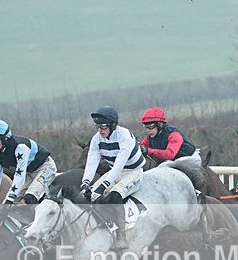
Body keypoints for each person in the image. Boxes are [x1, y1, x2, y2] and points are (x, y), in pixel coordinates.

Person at [80, 106, 145, 250]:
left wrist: (104, 185)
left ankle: (121, 236)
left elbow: (119, 165)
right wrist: (85, 183)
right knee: (88, 195)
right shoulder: (96, 139)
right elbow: (91, 162)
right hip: (115, 172)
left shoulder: (124, 136)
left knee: (115, 195)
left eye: (103, 126)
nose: (99, 130)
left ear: (112, 125)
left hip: (133, 171)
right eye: (97, 126)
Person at [0, 119, 57, 218]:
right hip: (28, 172)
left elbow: (19, 175)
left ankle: (39, 226)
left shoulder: (21, 147)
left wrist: (9, 201)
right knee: (3, 209)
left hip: (45, 168)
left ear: (5, 138)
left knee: (30, 197)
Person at [138, 107, 201, 172]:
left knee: (162, 167)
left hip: (189, 159)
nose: (148, 130)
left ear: (160, 124)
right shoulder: (151, 137)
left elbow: (170, 154)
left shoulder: (173, 134)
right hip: (174, 161)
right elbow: (142, 147)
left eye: (150, 126)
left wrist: (149, 151)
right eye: (146, 127)